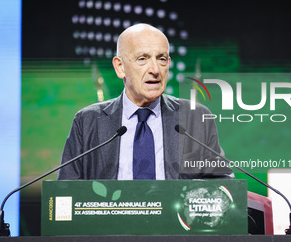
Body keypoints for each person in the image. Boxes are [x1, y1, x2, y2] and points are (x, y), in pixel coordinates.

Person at [57, 23, 233, 180]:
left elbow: (223, 184)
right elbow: (66, 192)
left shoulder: (195, 117)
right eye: (143, 59)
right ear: (120, 67)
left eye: (161, 59)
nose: (155, 70)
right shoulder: (87, 121)